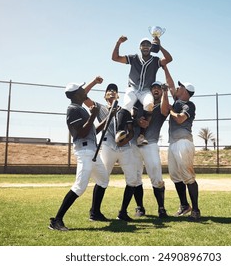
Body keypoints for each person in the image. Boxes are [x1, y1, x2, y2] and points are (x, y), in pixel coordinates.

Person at [48, 77, 110, 231]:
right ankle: (56, 220)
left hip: (92, 151)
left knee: (103, 180)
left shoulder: (80, 108)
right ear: (76, 94)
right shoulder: (73, 110)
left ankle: (95, 213)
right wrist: (94, 115)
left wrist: (109, 117)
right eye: (82, 90)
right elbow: (81, 133)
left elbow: (93, 131)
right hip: (84, 151)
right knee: (80, 187)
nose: (85, 91)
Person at [84, 82, 138, 222]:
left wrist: (125, 140)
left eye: (115, 90)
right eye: (109, 90)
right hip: (108, 145)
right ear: (104, 95)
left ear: (118, 95)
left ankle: (123, 212)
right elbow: (83, 95)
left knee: (133, 179)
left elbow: (131, 131)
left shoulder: (125, 110)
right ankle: (94, 212)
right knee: (102, 178)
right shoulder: (100, 108)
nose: (112, 92)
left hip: (125, 147)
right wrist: (95, 82)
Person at [112, 35, 173, 146]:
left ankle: (141, 135)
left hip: (145, 90)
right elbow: (115, 58)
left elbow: (169, 59)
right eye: (143, 45)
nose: (145, 46)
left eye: (148, 45)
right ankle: (120, 131)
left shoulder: (155, 60)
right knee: (127, 104)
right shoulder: (134, 58)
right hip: (133, 88)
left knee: (149, 104)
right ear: (139, 47)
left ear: (151, 47)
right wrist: (118, 42)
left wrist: (160, 46)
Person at [160, 64, 201, 221]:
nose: (176, 88)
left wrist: (170, 109)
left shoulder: (188, 105)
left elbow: (179, 119)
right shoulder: (178, 100)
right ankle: (184, 205)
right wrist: (164, 68)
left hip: (183, 142)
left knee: (188, 177)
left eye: (180, 86)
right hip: (173, 143)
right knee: (175, 176)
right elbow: (170, 84)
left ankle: (196, 210)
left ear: (184, 91)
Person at [132, 81, 169, 218]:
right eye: (153, 88)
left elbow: (166, 110)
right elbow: (130, 119)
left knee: (156, 177)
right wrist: (137, 122)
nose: (156, 90)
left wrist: (166, 92)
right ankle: (140, 207)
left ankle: (161, 208)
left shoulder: (161, 105)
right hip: (135, 144)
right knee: (135, 178)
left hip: (151, 144)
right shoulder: (141, 104)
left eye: (158, 88)